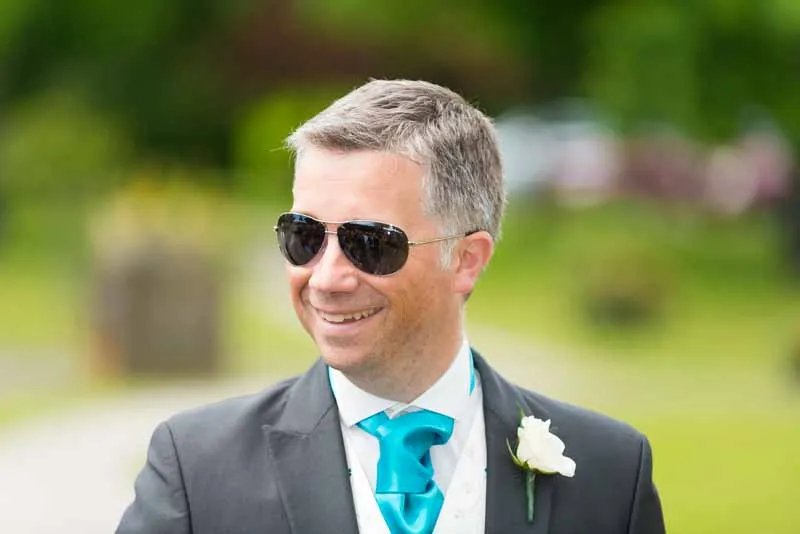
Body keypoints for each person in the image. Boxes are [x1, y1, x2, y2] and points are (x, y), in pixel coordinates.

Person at [116, 79, 665, 534]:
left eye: (370, 243)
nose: (327, 278)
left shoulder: (609, 473)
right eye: (304, 236)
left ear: (467, 259)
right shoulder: (197, 468)